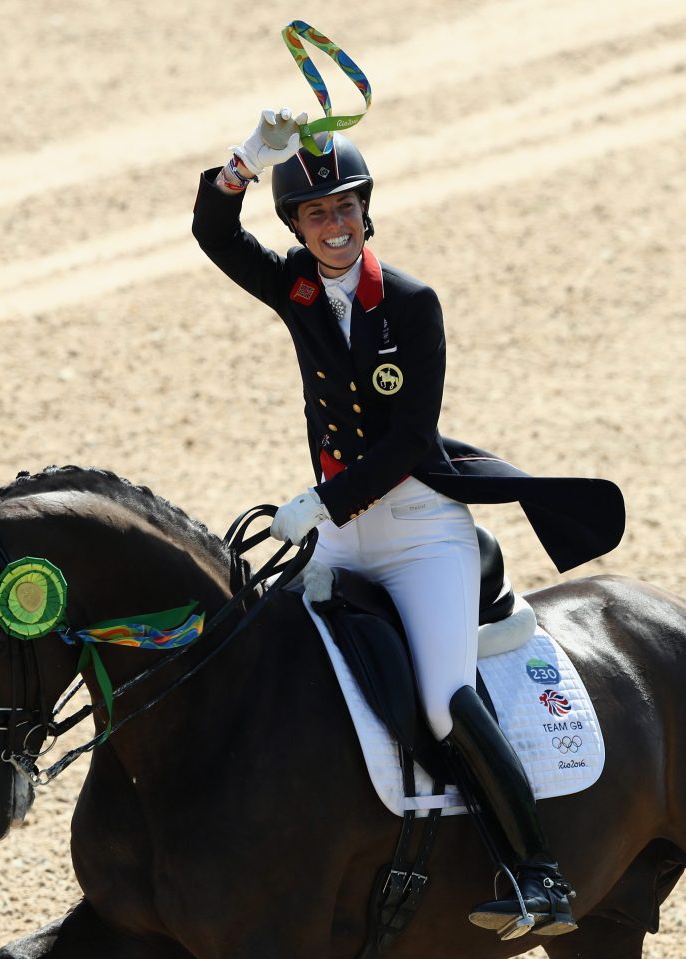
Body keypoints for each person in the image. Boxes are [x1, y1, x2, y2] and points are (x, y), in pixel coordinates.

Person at [192, 108, 625, 938]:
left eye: (345, 207)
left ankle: (536, 877)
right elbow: (212, 232)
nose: (333, 224)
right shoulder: (295, 288)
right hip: (345, 532)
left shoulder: (412, 304)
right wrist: (248, 157)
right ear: (296, 225)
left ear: (365, 210)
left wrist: (320, 502)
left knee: (438, 699)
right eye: (316, 213)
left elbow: (408, 440)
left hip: (421, 532)